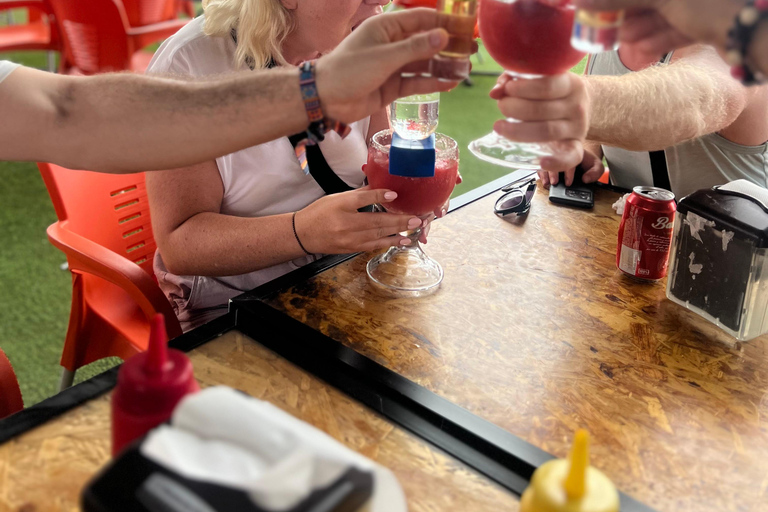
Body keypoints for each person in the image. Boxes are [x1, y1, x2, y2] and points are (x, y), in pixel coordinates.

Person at [143, 0, 456, 330]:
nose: (381, 1)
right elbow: (180, 244)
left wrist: (413, 186)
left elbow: (380, 152)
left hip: (346, 272)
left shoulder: (360, 41)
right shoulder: (188, 65)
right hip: (235, 299)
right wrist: (303, 232)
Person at [0, 8, 458, 172]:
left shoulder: (356, 47)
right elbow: (65, 113)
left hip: (339, 274)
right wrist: (304, 231)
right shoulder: (190, 57)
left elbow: (65, 110)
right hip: (241, 305)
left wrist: (406, 186)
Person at [573, 0, 768, 77]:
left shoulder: (710, 30)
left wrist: (584, 99)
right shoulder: (605, 30)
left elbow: (686, 108)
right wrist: (585, 154)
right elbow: (592, 140)